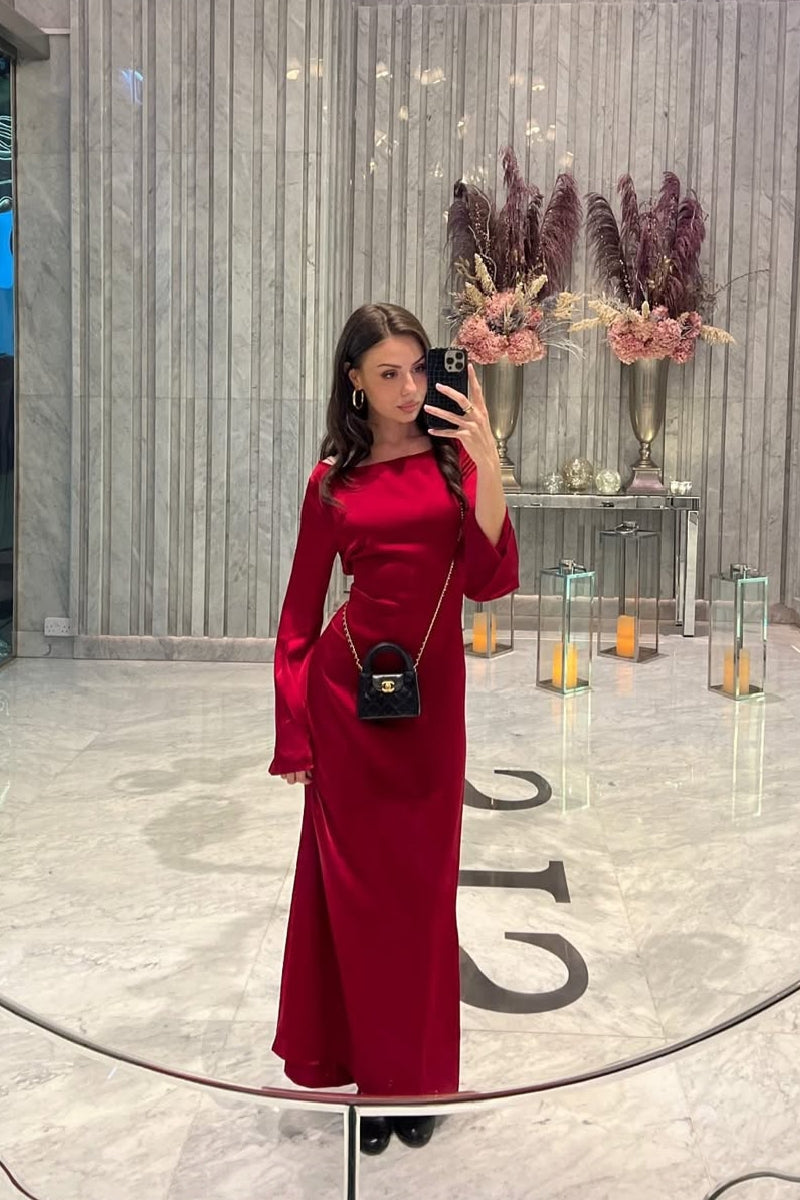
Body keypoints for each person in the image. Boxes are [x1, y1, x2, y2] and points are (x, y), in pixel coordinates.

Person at [268, 303, 519, 1155]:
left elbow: (489, 579)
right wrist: (295, 731)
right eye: (388, 374)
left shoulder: (455, 464)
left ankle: (417, 1079)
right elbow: (299, 617)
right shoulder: (330, 484)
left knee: (421, 898)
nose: (410, 388)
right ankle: (372, 1086)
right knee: (355, 900)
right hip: (348, 704)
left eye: (417, 369)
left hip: (430, 708)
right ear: (355, 383)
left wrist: (488, 461)